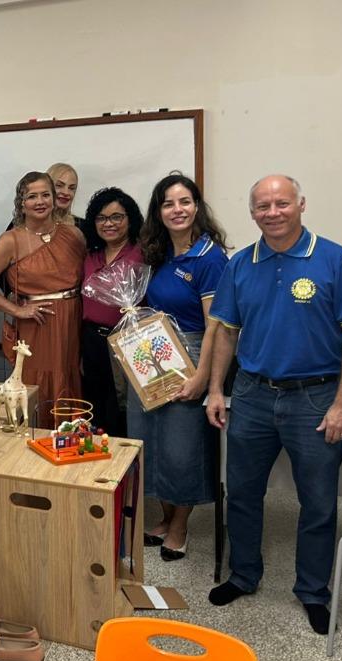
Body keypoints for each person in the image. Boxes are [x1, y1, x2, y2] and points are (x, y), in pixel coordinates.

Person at [206, 174, 342, 634]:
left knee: (318, 503)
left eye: (281, 203)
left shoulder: (336, 261)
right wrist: (217, 389)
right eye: (263, 206)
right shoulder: (240, 265)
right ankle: (244, 575)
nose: (272, 212)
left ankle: (313, 592)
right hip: (253, 396)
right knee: (241, 493)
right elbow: (225, 331)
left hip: (316, 399)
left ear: (301, 204)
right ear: (252, 213)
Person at [131, 174, 229, 561]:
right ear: (159, 211)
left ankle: (180, 526)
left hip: (189, 356)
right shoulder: (157, 254)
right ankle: (165, 516)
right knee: (150, 442)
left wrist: (202, 377)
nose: (177, 210)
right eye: (168, 204)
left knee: (182, 447)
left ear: (197, 206)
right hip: (152, 353)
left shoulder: (210, 258)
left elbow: (215, 328)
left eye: (185, 202)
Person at [0, 171, 85, 427]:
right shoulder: (11, 240)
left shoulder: (74, 235)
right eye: (32, 196)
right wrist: (16, 309)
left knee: (70, 377)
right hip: (36, 325)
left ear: (55, 199)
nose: (40, 201)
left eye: (46, 195)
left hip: (71, 323)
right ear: (21, 203)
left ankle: (67, 440)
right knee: (38, 383)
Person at [79, 187, 145, 438]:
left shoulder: (142, 253)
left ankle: (125, 471)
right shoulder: (90, 256)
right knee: (95, 408)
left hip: (127, 341)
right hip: (92, 340)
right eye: (102, 218)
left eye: (117, 217)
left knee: (123, 410)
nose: (109, 224)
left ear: (130, 219)